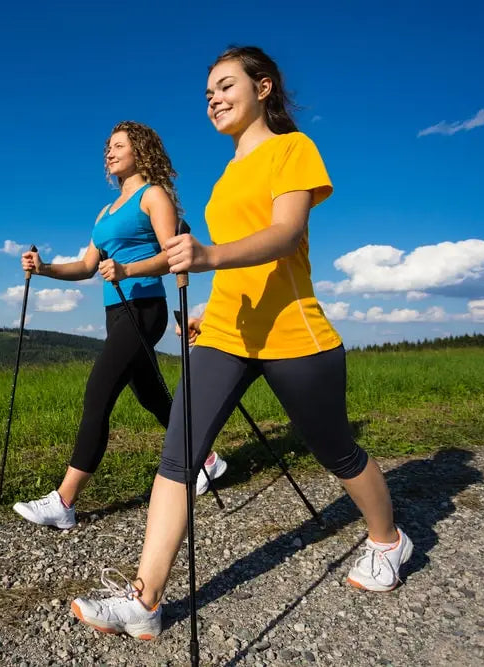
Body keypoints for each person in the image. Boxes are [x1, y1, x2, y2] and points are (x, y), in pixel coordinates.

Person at [70, 46, 414, 640]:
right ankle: (145, 600)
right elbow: (237, 265)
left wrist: (205, 255)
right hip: (227, 332)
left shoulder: (292, 149)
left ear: (264, 87)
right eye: (207, 94)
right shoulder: (227, 174)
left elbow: (284, 236)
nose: (214, 100)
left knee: (337, 453)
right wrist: (209, 302)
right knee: (177, 458)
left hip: (292, 332)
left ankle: (389, 540)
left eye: (226, 86)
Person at [12, 121, 229, 530]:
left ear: (140, 151)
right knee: (152, 396)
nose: (109, 153)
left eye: (118, 146)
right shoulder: (105, 212)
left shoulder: (154, 196)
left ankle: (65, 501)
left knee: (98, 394)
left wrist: (128, 268)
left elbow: (173, 255)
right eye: (107, 148)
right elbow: (87, 266)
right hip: (117, 313)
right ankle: (208, 460)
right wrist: (44, 269)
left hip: (145, 306)